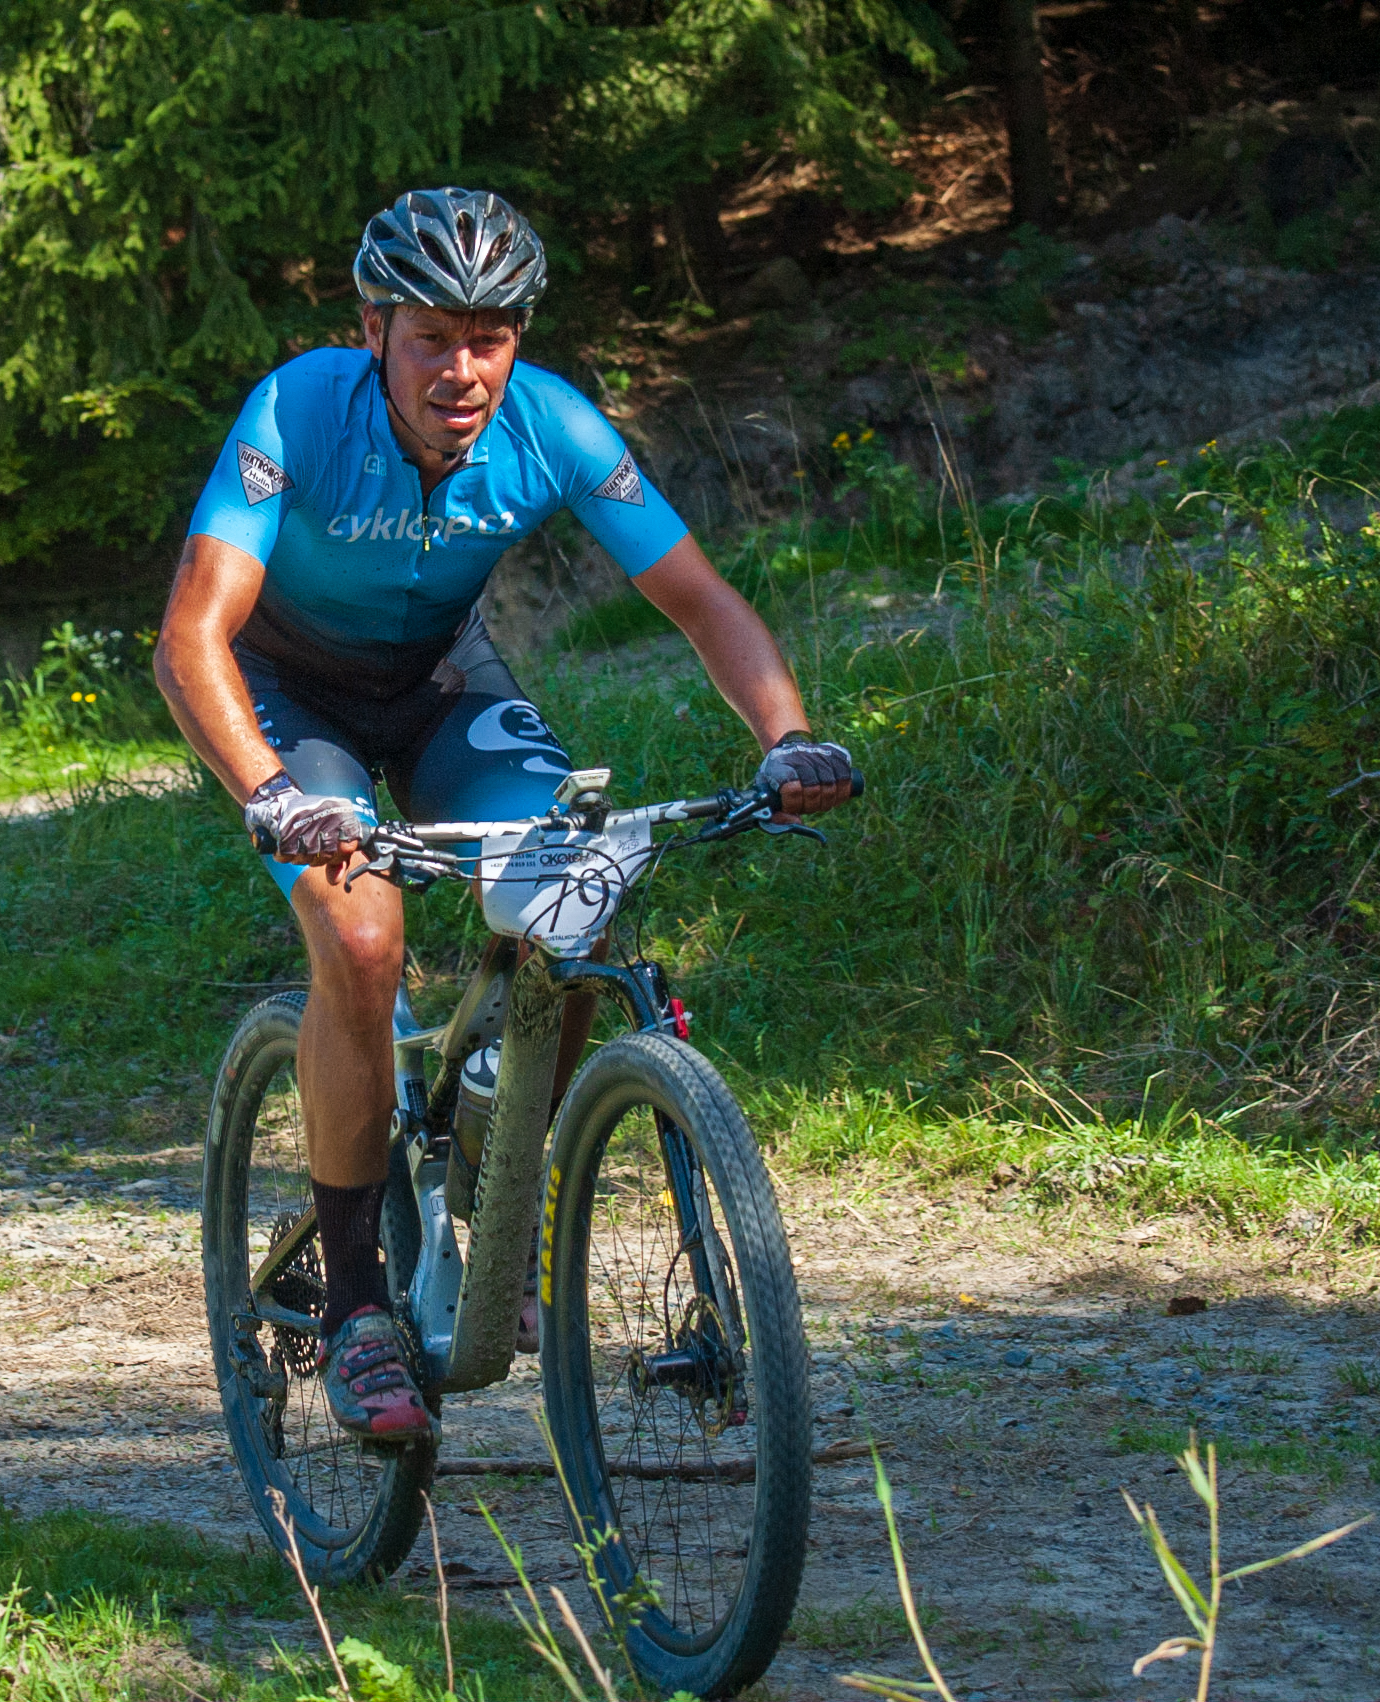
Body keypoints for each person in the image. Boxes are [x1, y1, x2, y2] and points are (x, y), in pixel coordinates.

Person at [154, 187, 855, 1442]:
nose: (463, 369)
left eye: (490, 337)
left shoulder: (555, 426)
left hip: (440, 686)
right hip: (287, 694)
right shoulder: (298, 411)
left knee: (576, 893)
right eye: (432, 337)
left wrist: (787, 738)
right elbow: (190, 637)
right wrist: (272, 794)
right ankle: (359, 1308)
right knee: (361, 938)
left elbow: (700, 599)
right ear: (373, 329)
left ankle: (497, 1185)